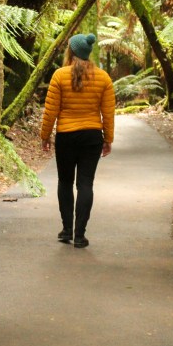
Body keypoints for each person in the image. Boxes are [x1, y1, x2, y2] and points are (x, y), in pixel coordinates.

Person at [40, 33, 115, 248]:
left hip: (66, 136)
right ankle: (80, 235)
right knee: (85, 184)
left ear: (71, 52)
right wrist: (108, 138)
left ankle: (67, 230)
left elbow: (51, 110)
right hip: (92, 136)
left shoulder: (59, 75)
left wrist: (45, 136)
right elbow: (108, 113)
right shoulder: (103, 78)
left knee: (65, 182)